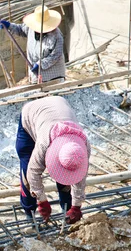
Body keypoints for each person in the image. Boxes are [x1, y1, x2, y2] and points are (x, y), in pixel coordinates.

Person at [16, 96, 90, 224]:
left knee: (68, 173)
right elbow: (33, 172)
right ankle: (30, 214)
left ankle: (66, 209)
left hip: (58, 106)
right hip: (31, 115)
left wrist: (76, 206)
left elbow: (80, 177)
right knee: (26, 168)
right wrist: (42, 200)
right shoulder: (44, 144)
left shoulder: (83, 147)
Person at [0, 6, 65, 84]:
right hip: (36, 77)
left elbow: (55, 56)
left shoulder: (56, 36)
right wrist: (9, 26)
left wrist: (40, 64)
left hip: (53, 77)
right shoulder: (32, 27)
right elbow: (20, 29)